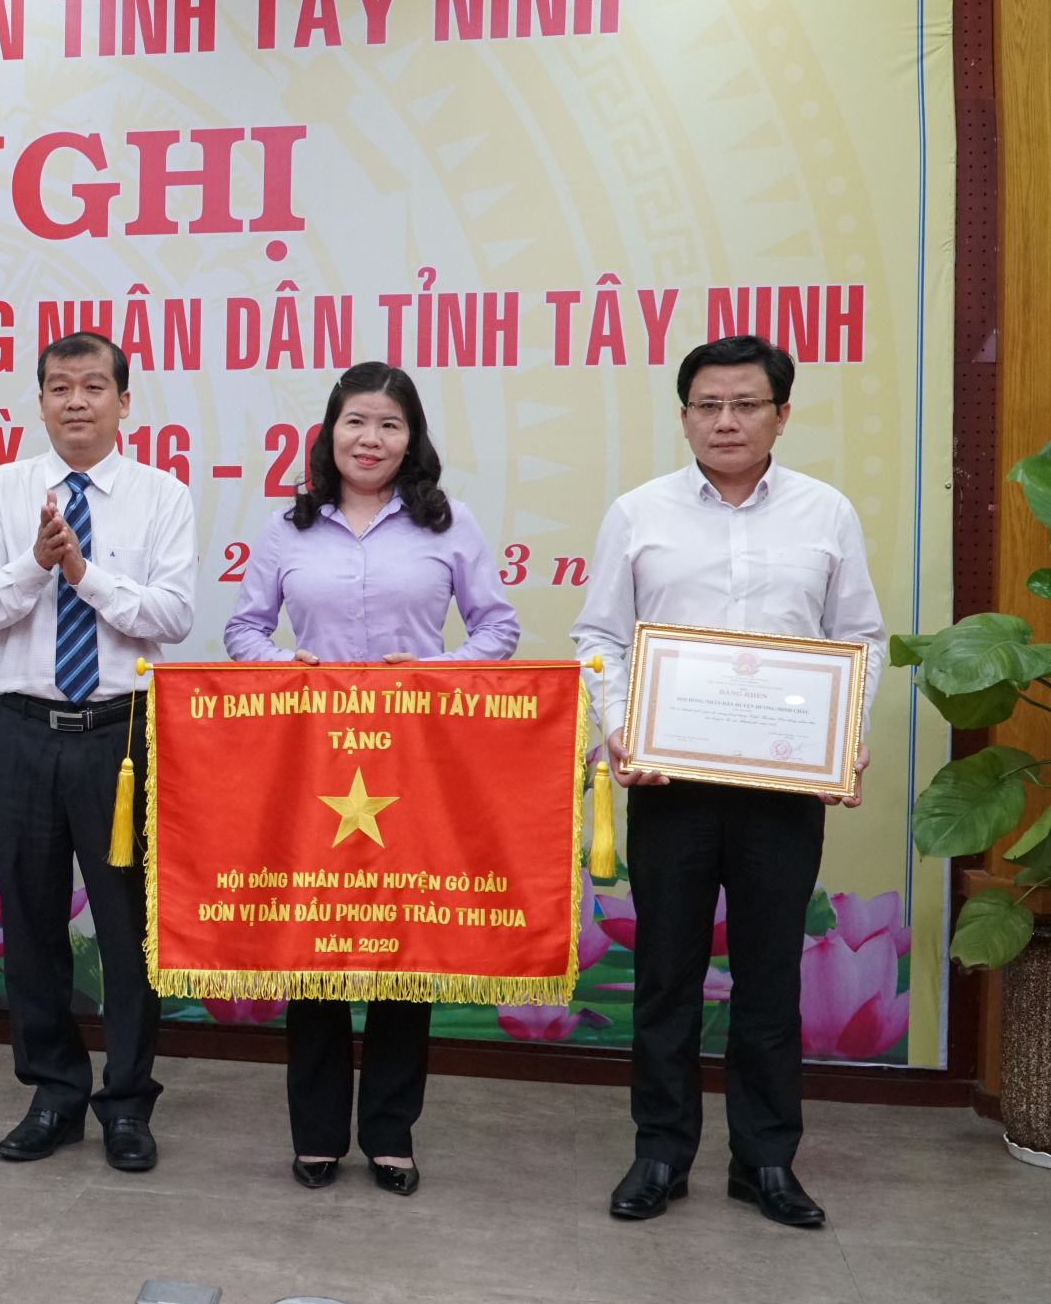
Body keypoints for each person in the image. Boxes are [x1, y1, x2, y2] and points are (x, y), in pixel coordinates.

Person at [571, 334, 885, 1228]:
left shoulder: (826, 513)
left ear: (781, 414)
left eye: (746, 404)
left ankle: (766, 1160)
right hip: (668, 781)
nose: (726, 421)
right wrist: (622, 730)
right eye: (707, 405)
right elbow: (600, 636)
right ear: (684, 417)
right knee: (665, 974)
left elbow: (858, 638)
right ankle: (660, 1151)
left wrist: (843, 736)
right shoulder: (639, 513)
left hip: (782, 787)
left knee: (770, 976)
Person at [222, 361, 520, 1195]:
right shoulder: (289, 527)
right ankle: (317, 1133)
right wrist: (288, 666)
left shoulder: (448, 523)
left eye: (390, 424)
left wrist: (431, 673)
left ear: (411, 438)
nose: (370, 438)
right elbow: (244, 631)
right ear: (329, 432)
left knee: (403, 942)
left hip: (415, 762)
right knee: (313, 940)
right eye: (355, 421)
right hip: (312, 764)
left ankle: (391, 1132)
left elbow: (497, 629)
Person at [0, 331, 196, 1173]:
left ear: (124, 401)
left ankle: (126, 1102)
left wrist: (85, 574)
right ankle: (54, 1092)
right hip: (21, 731)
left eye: (94, 386)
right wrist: (36, 564)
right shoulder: (2, 489)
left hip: (121, 737)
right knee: (31, 923)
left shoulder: (162, 494)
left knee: (127, 928)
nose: (76, 402)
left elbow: (173, 615)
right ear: (40, 401)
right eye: (59, 387)